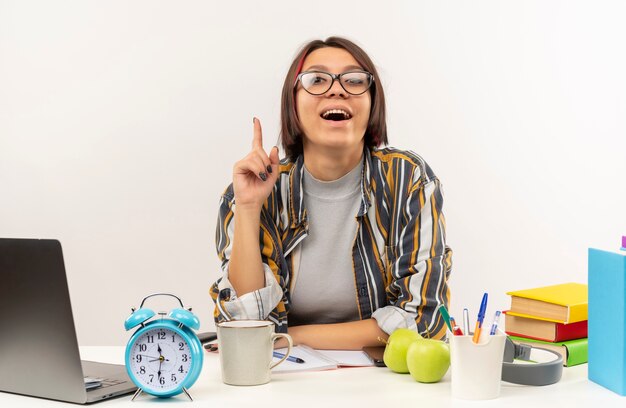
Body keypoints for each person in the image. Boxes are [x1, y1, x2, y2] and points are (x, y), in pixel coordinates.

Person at [210, 37, 452, 350]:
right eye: (317, 80)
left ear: (372, 103)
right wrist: (247, 206)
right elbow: (243, 325)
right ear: (293, 104)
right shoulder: (252, 191)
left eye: (354, 80)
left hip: (383, 383)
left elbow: (424, 321)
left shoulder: (407, 179)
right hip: (282, 381)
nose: (337, 89)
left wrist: (293, 338)